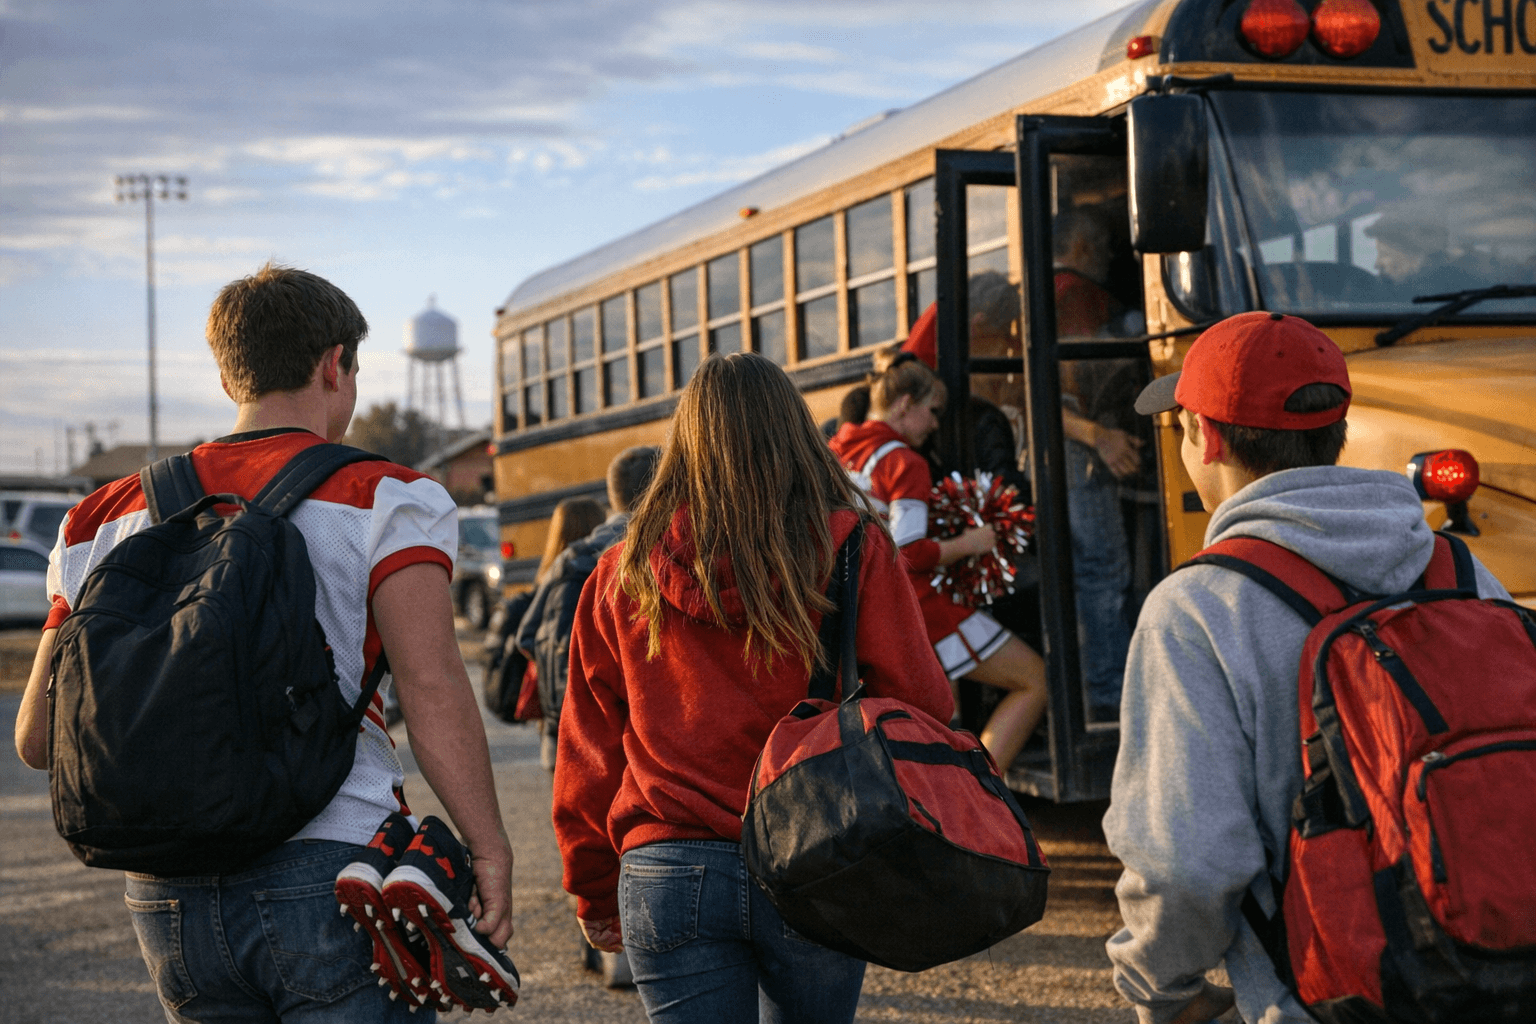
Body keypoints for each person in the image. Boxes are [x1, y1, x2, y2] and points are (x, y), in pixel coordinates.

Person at [12, 262, 514, 1023]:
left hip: (164, 894)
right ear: (334, 365)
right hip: (331, 867)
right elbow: (432, 687)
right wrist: (489, 848)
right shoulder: (387, 496)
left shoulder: (98, 517)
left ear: (227, 376)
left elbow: (38, 739)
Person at [1103, 311, 1510, 1024]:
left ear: (1208, 438)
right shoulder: (1466, 572)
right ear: (1336, 430)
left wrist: (1162, 990)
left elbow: (1186, 867)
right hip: (1503, 965)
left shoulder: (1197, 608)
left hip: (1334, 999)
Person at [553, 353, 952, 1024]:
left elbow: (588, 751)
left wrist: (592, 888)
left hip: (666, 864)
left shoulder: (622, 572)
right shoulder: (850, 548)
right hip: (816, 855)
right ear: (794, 431)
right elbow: (925, 705)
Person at [829, 346, 1048, 772]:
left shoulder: (836, 451)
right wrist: (972, 542)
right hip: (916, 607)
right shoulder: (903, 462)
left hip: (857, 609)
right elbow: (908, 552)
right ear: (905, 404)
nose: (934, 423)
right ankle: (977, 798)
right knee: (1034, 681)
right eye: (932, 410)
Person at [1054, 206, 1148, 718]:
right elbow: (1044, 391)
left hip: (1077, 447)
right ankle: (1112, 696)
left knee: (1099, 569)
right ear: (1085, 246)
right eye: (1108, 247)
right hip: (1082, 450)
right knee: (1105, 571)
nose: (1114, 258)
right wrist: (1101, 437)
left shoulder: (1050, 293)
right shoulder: (1077, 294)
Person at [517, 445, 659, 771]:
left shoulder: (572, 557)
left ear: (613, 495)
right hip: (633, 733)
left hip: (568, 724)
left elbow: (527, 635)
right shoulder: (659, 550)